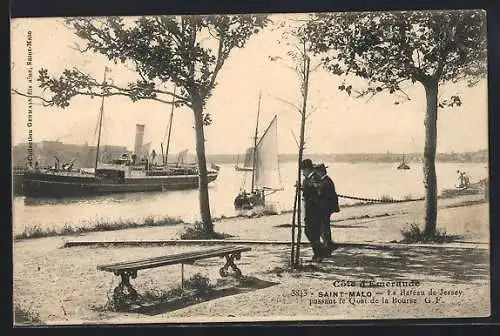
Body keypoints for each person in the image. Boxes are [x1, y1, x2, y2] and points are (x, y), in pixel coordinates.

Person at [314, 163, 340, 256]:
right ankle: (329, 245)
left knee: (324, 228)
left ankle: (328, 247)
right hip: (327, 208)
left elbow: (321, 195)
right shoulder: (326, 180)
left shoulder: (325, 182)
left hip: (325, 208)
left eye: (316, 172)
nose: (315, 174)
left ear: (320, 172)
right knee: (324, 227)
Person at [300, 159, 323, 262]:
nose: (302, 173)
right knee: (310, 232)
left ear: (308, 169)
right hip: (310, 209)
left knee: (311, 232)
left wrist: (305, 190)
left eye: (303, 170)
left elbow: (317, 191)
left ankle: (318, 253)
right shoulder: (308, 179)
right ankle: (318, 253)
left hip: (315, 209)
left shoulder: (315, 178)